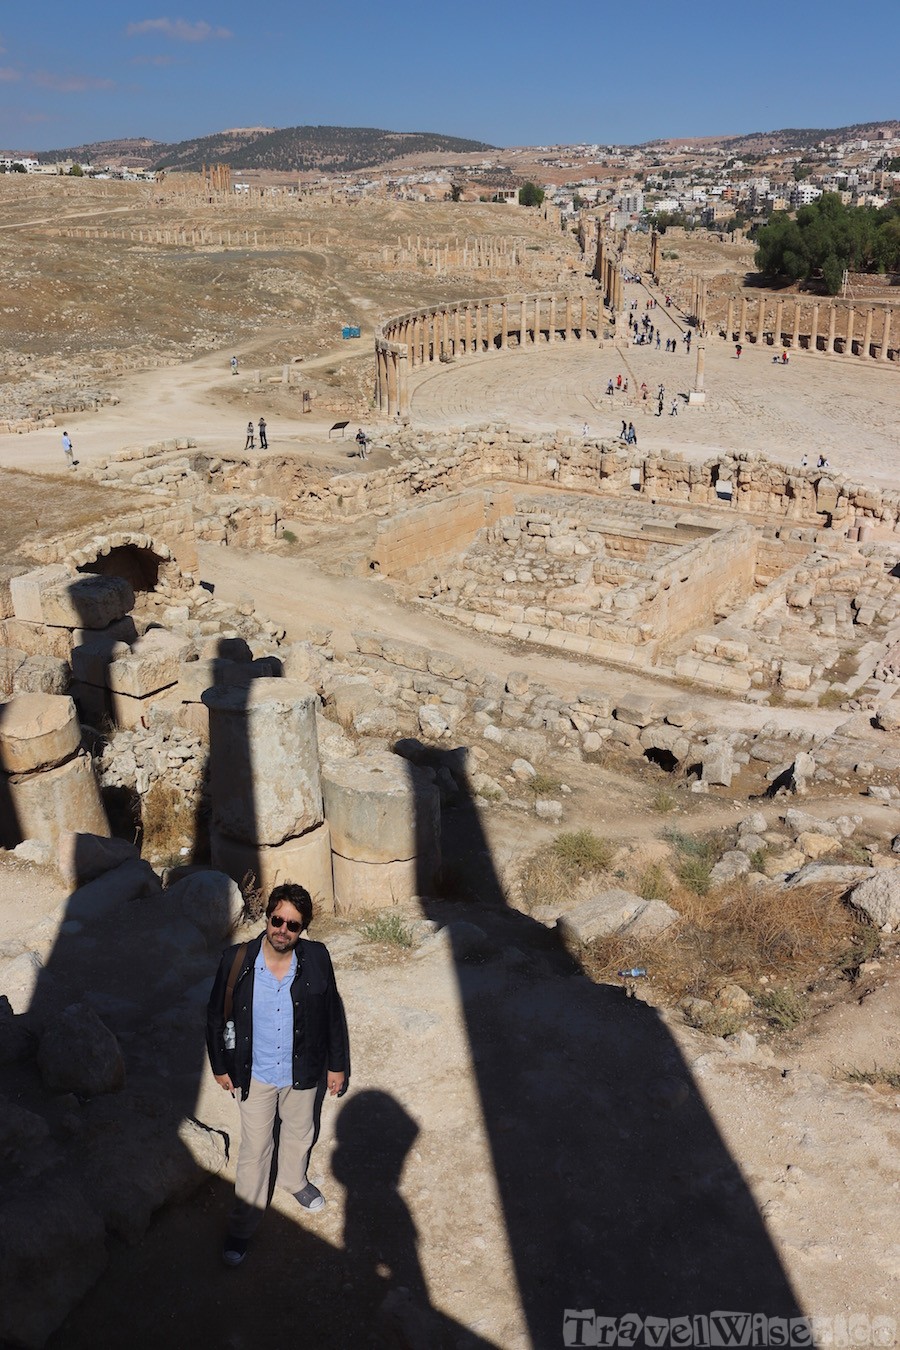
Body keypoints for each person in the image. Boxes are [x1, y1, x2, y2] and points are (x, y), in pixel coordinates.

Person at [207, 883, 348, 1267]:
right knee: (255, 1151)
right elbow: (215, 1017)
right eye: (277, 920)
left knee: (300, 1131)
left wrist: (337, 1065)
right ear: (267, 918)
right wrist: (220, 1066)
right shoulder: (237, 960)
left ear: (303, 929)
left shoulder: (317, 958)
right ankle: (242, 1225)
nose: (282, 930)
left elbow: (332, 1014)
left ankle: (293, 1180)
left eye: (293, 925)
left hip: (301, 1071)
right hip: (255, 1074)